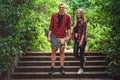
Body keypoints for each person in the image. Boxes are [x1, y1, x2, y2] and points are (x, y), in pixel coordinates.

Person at [48, 3, 71, 75]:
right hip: (54, 36)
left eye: (63, 7)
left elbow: (69, 28)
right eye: (60, 7)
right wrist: (49, 36)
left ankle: (62, 68)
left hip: (63, 37)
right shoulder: (54, 15)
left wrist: (69, 36)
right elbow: (50, 27)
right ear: (58, 8)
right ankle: (52, 68)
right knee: (53, 52)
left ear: (64, 8)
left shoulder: (68, 17)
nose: (61, 8)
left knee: (62, 52)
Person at [73, 9, 87, 74]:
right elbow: (74, 30)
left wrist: (81, 41)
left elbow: (84, 32)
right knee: (75, 53)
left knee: (81, 54)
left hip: (82, 40)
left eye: (80, 13)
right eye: (77, 13)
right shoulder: (75, 21)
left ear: (82, 14)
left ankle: (81, 68)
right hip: (76, 40)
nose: (78, 14)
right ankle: (83, 59)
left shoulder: (84, 21)